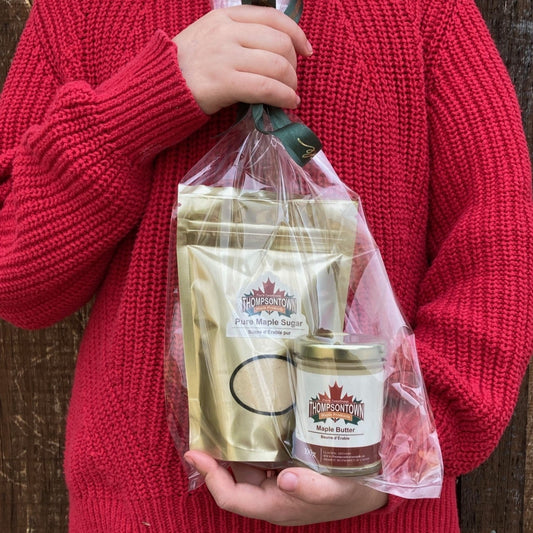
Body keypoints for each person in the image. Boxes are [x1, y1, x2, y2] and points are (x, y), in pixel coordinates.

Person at [0, 0, 531, 531]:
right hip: (139, 513)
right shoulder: (77, 13)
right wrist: (149, 96)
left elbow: (499, 248)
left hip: (376, 513)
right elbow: (17, 275)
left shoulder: (424, 14)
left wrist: (394, 455)